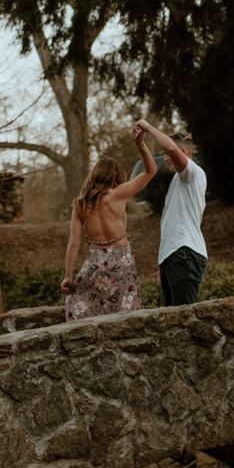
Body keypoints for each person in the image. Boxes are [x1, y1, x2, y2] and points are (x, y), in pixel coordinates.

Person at [61, 127, 157, 321]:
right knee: (127, 309)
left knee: (84, 306)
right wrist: (140, 145)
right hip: (121, 258)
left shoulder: (80, 204)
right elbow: (151, 170)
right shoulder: (118, 194)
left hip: (95, 261)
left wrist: (68, 276)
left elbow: (73, 242)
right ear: (114, 176)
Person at [135, 120, 207, 305]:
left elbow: (172, 149)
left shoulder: (191, 173)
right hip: (174, 256)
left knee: (185, 321)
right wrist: (141, 145)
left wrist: (148, 127)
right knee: (175, 323)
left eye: (167, 153)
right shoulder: (178, 181)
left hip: (184, 254)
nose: (166, 158)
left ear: (183, 153)